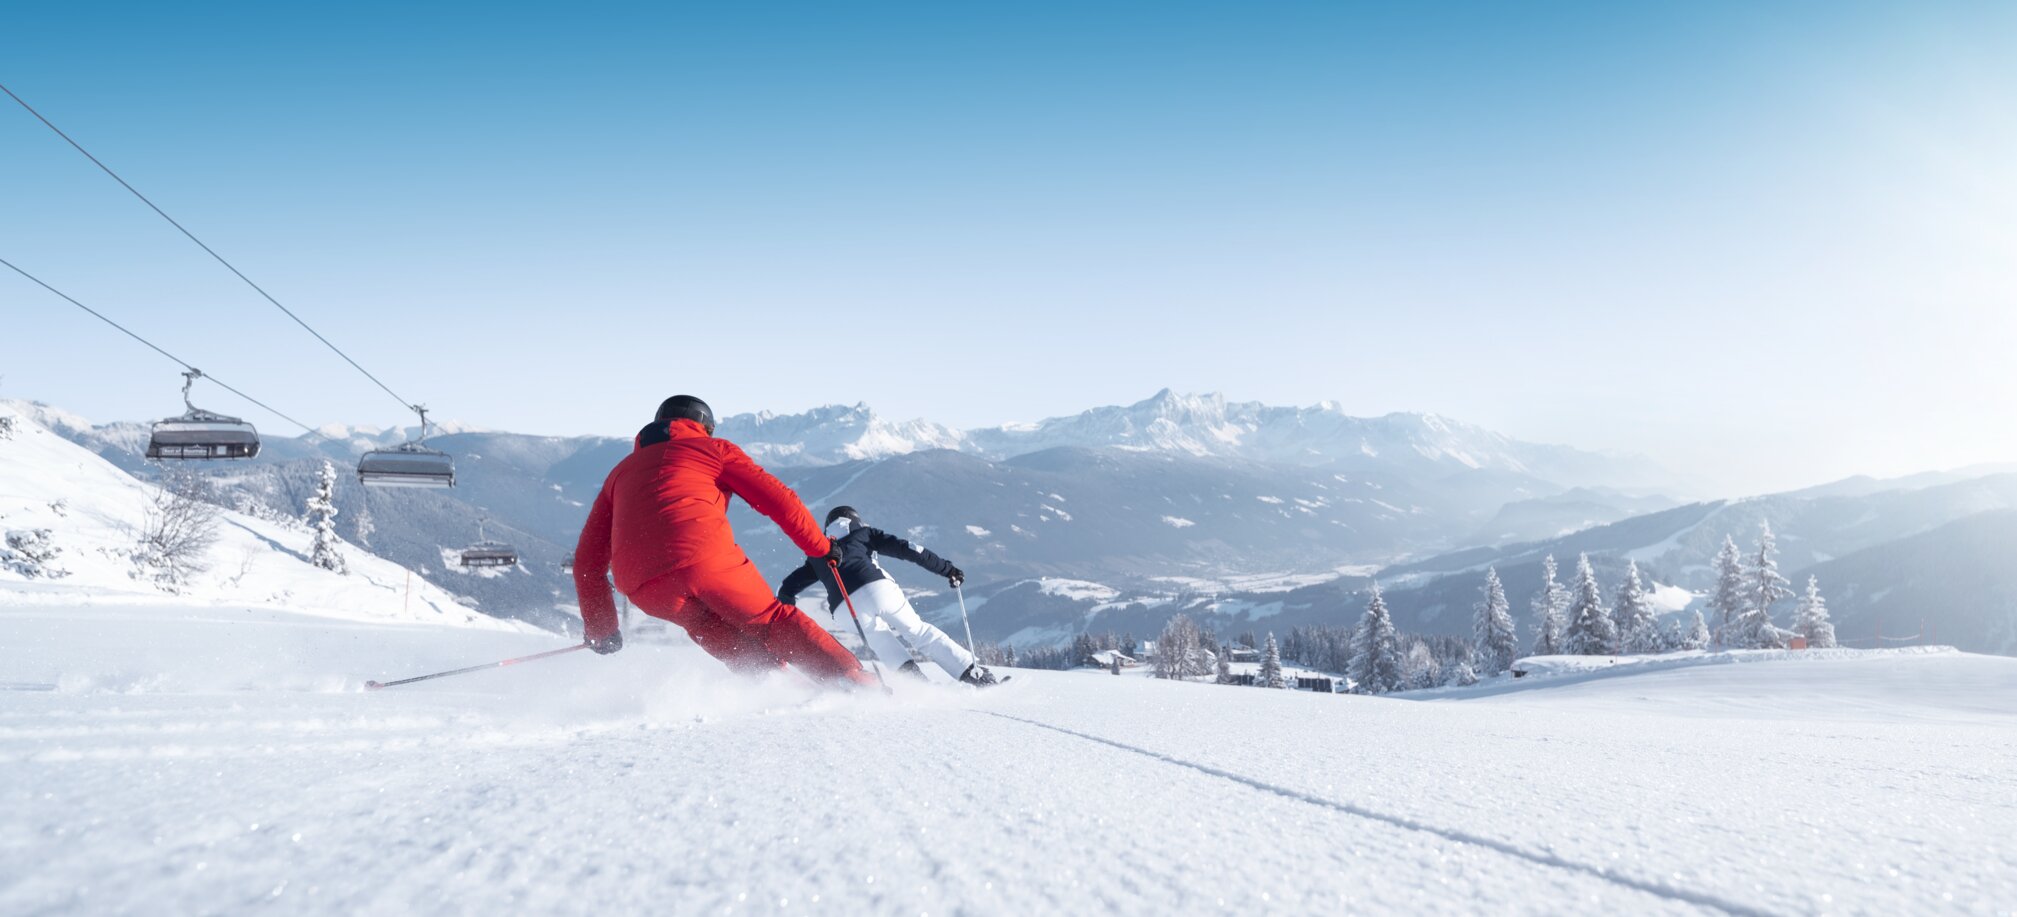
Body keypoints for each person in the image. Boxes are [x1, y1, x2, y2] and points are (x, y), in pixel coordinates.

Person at [571, 395, 876, 689]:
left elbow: (587, 561)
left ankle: (778, 687)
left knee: (704, 625)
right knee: (771, 620)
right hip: (703, 559)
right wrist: (820, 548)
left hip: (642, 586)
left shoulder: (619, 473)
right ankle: (854, 682)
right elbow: (780, 502)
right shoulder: (712, 449)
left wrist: (602, 630)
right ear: (706, 427)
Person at [777, 506, 999, 687]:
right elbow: (910, 550)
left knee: (882, 643)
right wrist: (947, 570)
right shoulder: (863, 534)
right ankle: (975, 675)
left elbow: (787, 588)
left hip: (844, 608)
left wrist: (786, 617)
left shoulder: (818, 554)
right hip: (878, 589)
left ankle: (919, 688)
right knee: (919, 632)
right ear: (855, 520)